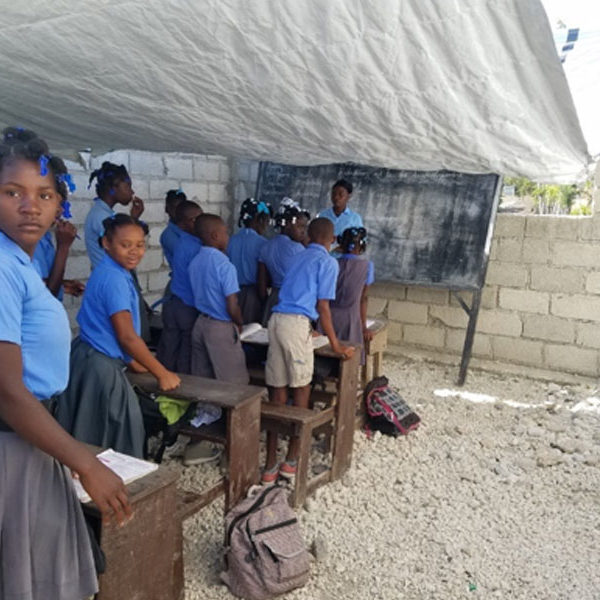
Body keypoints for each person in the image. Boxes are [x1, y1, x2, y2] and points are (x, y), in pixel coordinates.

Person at [0, 126, 131, 600]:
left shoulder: (20, 263)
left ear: (60, 205)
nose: (29, 205)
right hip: (13, 442)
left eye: (44, 194)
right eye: (12, 192)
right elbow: (8, 390)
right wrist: (83, 460)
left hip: (35, 440)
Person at [58, 214, 181, 458]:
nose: (134, 251)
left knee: (90, 431)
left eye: (140, 245)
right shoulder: (114, 279)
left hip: (88, 356)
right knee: (116, 436)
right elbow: (126, 337)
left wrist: (134, 361)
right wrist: (161, 372)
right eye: (126, 245)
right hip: (100, 367)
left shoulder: (111, 270)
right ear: (106, 243)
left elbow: (114, 333)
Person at [262, 218, 354, 484]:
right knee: (302, 388)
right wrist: (335, 344)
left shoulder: (298, 256)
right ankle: (293, 457)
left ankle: (270, 464)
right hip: (295, 325)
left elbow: (296, 295)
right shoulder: (328, 262)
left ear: (308, 236)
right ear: (332, 238)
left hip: (277, 320)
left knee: (277, 389)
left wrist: (308, 327)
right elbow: (323, 306)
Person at [84, 161, 150, 340]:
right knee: (128, 336)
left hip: (118, 279)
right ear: (113, 188)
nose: (132, 191)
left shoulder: (106, 215)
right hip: (112, 282)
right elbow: (119, 244)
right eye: (127, 185)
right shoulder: (102, 217)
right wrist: (133, 220)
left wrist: (133, 218)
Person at [189, 213, 249, 384]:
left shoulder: (195, 261)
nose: (227, 236)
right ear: (215, 236)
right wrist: (238, 322)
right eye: (225, 232)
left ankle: (205, 412)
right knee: (234, 383)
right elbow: (232, 304)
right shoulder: (225, 265)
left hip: (200, 323)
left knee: (203, 381)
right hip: (220, 327)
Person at [156, 200, 203, 373]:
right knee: (185, 352)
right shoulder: (196, 247)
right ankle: (180, 392)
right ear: (184, 224)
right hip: (187, 306)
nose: (201, 221)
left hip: (175, 301)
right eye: (196, 219)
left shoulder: (183, 242)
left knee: (169, 348)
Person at [321, 227, 374, 364]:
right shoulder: (367, 266)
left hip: (326, 319)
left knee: (323, 358)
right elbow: (363, 299)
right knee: (349, 359)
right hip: (351, 319)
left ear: (341, 244)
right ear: (362, 245)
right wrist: (363, 327)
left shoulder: (331, 263)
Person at [257, 198, 309, 326]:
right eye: (300, 226)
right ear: (288, 225)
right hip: (293, 301)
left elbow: (262, 284)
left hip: (273, 299)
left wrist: (266, 302)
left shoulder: (266, 246)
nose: (304, 231)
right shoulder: (299, 249)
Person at [227, 197, 271, 323]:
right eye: (266, 222)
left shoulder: (230, 240)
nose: (266, 226)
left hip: (232, 293)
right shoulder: (263, 244)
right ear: (259, 219)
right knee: (250, 331)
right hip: (253, 294)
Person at [33, 220, 85, 299]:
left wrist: (63, 285)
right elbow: (47, 296)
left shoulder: (45, 236)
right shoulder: (34, 242)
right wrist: (63, 247)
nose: (61, 210)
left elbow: (39, 282)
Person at [159, 188, 186, 269]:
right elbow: (185, 257)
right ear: (167, 209)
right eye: (174, 208)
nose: (178, 212)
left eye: (181, 207)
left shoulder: (190, 229)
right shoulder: (168, 235)